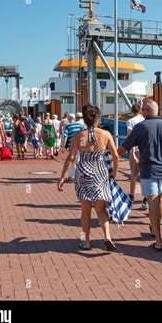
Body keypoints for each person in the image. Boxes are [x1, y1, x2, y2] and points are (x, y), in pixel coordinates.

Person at [117, 98, 162, 252]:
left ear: (146, 111)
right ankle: (154, 228)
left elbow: (124, 147)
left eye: (143, 109)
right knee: (159, 202)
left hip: (149, 171)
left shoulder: (141, 127)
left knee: (152, 204)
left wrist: (111, 156)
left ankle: (158, 241)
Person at [58, 104, 119, 251]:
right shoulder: (105, 134)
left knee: (85, 210)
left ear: (85, 120)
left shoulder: (79, 136)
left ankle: (85, 242)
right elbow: (116, 156)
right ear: (97, 118)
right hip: (100, 172)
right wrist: (114, 172)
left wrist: (62, 177)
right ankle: (107, 237)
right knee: (101, 209)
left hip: (84, 172)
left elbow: (71, 158)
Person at [126, 103, 148, 210]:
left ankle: (132, 195)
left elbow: (130, 138)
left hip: (136, 150)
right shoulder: (144, 120)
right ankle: (145, 199)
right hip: (145, 150)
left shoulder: (130, 122)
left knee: (134, 174)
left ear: (132, 111)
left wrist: (133, 153)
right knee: (144, 175)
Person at [63, 113, 85, 181]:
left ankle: (72, 176)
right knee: (79, 160)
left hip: (71, 145)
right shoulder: (80, 125)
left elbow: (65, 136)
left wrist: (64, 146)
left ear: (69, 119)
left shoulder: (68, 126)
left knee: (71, 161)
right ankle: (81, 175)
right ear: (74, 118)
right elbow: (83, 135)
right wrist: (83, 145)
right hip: (80, 145)